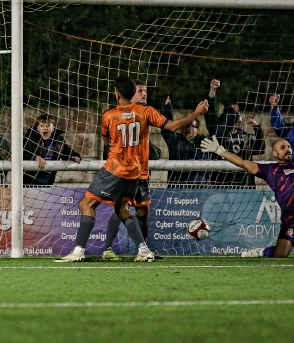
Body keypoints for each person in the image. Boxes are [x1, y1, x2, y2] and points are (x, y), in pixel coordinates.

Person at [55, 76, 209, 263]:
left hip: (115, 169)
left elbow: (106, 141)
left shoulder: (109, 115)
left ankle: (78, 251)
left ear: (117, 94)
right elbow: (173, 126)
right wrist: (196, 112)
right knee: (122, 208)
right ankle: (143, 250)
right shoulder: (146, 112)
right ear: (133, 93)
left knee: (86, 205)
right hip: (136, 173)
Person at [201, 120, 294, 258]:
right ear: (275, 154)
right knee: (280, 255)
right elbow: (243, 163)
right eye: (283, 148)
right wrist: (220, 150)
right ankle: (260, 252)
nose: (288, 149)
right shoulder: (270, 170)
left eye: (288, 147)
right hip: (293, 217)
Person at [101, 80, 163, 260]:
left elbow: (154, 153)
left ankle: (143, 251)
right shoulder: (118, 115)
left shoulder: (144, 114)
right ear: (131, 95)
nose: (145, 94)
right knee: (122, 207)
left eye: (146, 91)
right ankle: (107, 249)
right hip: (124, 173)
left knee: (143, 211)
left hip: (141, 173)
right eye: (141, 91)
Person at [160, 79, 220, 186]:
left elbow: (214, 126)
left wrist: (211, 95)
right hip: (178, 191)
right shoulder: (176, 141)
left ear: (198, 129)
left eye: (193, 126)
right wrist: (167, 109)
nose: (189, 129)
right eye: (186, 126)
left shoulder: (205, 142)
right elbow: (167, 128)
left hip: (202, 191)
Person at [213, 105, 265, 186]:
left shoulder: (245, 136)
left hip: (245, 183)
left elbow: (260, 149)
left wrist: (257, 128)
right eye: (234, 115)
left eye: (238, 115)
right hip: (223, 183)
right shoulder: (219, 136)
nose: (238, 119)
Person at [23, 113, 81, 186]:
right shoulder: (30, 138)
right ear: (38, 128)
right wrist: (36, 157)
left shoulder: (59, 141)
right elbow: (22, 153)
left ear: (53, 129)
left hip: (48, 181)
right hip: (29, 182)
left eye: (48, 126)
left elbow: (67, 153)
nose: (45, 128)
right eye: (42, 126)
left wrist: (75, 156)